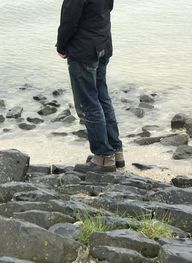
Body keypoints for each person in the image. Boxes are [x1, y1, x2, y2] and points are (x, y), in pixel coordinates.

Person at [56, 0, 124, 172]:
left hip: (84, 51)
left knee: (89, 104)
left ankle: (103, 156)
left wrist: (61, 46)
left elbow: (69, 22)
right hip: (102, 45)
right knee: (102, 99)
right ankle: (116, 152)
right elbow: (105, 10)